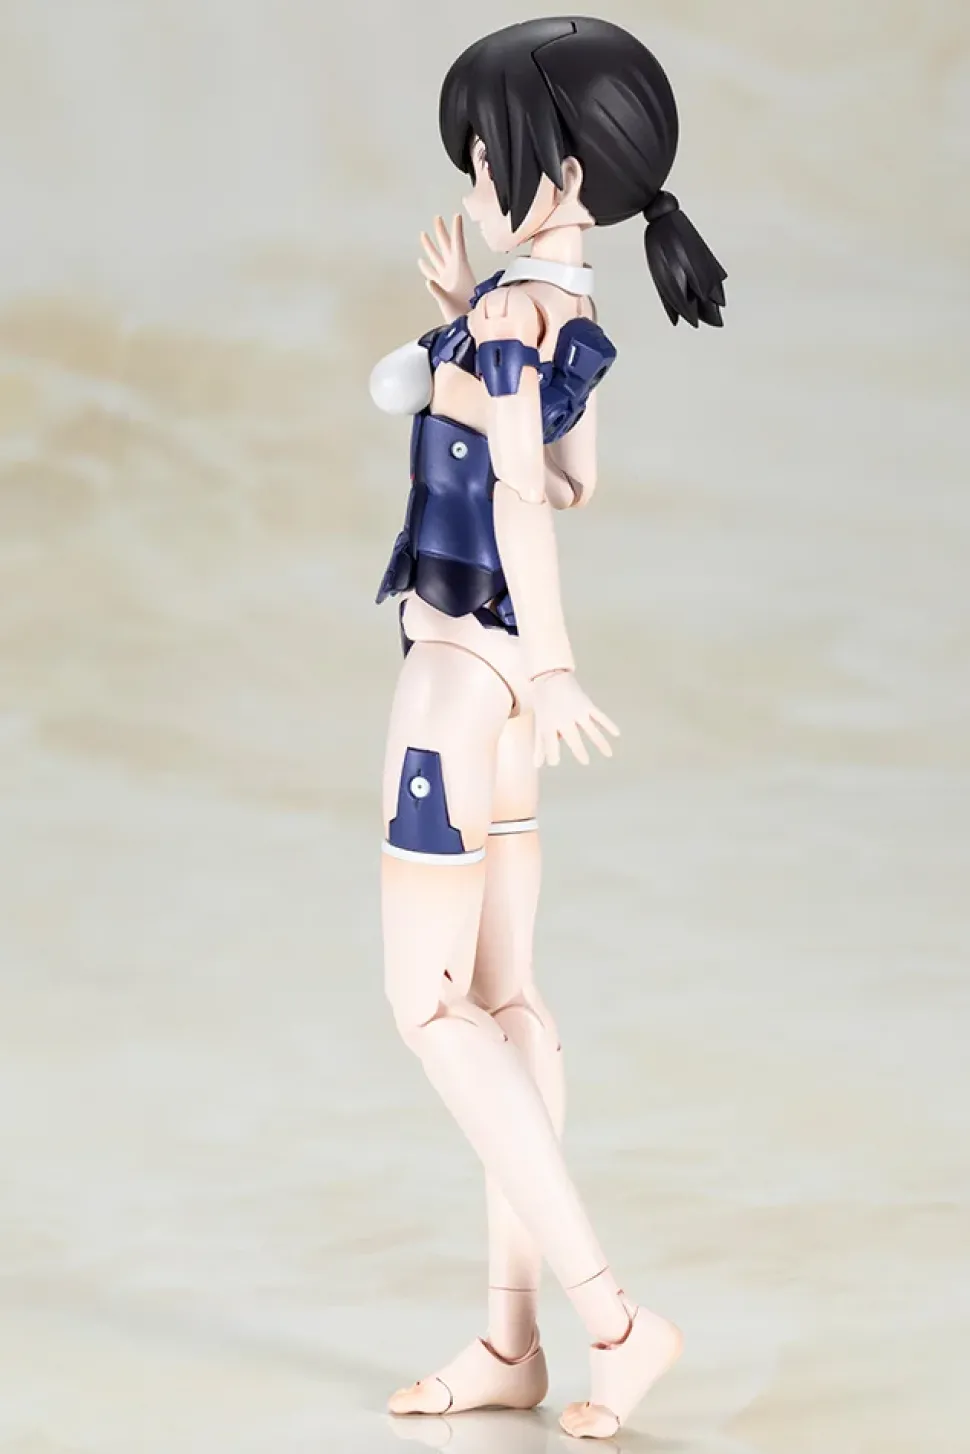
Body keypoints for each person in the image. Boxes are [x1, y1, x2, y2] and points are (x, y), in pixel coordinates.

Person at [368, 16, 726, 1439]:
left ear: (560, 171)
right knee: (507, 1004)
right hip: (500, 690)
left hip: (460, 674)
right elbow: (571, 479)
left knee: (428, 1006)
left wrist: (554, 660)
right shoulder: (553, 307)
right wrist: (469, 308)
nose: (472, 175)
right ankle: (509, 1342)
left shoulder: (515, 324)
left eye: (486, 153)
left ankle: (612, 1320)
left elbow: (521, 495)